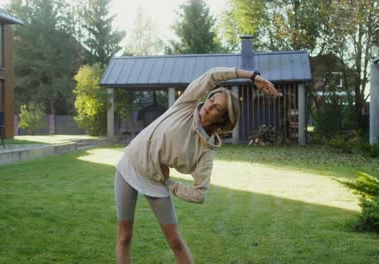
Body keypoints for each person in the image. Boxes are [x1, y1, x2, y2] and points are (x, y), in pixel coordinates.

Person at [114, 67, 281, 264]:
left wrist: (170, 184)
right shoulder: (186, 104)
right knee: (125, 236)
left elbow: (200, 193)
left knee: (175, 241)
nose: (209, 106)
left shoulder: (206, 151)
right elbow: (213, 75)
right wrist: (253, 76)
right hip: (129, 164)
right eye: (212, 100)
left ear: (222, 119)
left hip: (155, 181)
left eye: (217, 108)